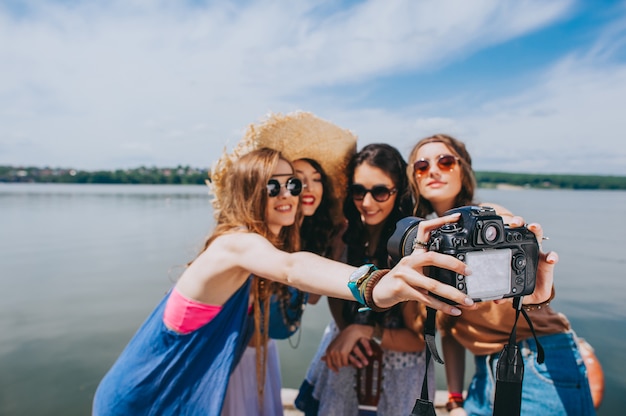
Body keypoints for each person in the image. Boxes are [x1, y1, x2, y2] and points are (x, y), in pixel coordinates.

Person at [91, 145, 478, 415]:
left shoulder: (262, 248)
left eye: (293, 184)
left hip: (183, 392)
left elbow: (298, 270)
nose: (290, 194)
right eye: (272, 186)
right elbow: (292, 267)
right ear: (247, 193)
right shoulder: (235, 245)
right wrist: (376, 285)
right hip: (144, 396)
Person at [406, 133, 595, 415]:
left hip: (534, 357)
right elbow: (451, 329)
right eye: (422, 166)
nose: (433, 170)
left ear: (463, 170)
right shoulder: (428, 242)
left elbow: (525, 278)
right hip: (485, 370)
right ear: (414, 179)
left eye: (445, 162)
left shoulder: (489, 217)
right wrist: (455, 399)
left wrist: (513, 237)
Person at [221, 112, 355, 416]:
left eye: (316, 180)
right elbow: (290, 269)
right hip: (236, 356)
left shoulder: (311, 235)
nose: (306, 189)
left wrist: (336, 243)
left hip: (264, 353)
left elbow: (312, 295)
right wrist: (372, 284)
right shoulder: (257, 237)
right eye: (297, 182)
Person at [296, 143, 436, 416]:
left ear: (399, 192)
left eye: (380, 192)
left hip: (398, 375)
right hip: (345, 358)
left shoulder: (415, 245)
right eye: (359, 191)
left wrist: (364, 331)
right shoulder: (345, 235)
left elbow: (419, 339)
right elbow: (332, 295)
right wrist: (346, 329)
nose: (367, 203)